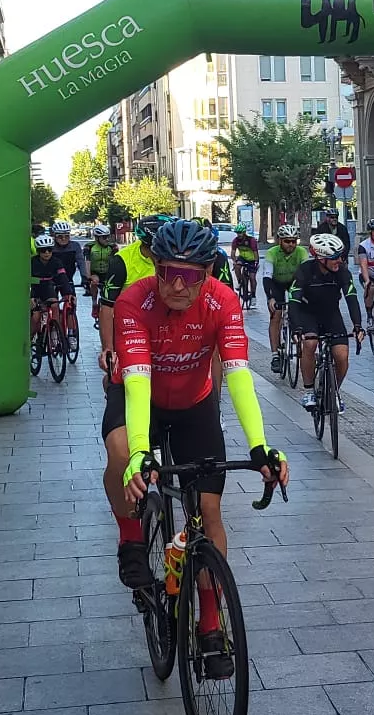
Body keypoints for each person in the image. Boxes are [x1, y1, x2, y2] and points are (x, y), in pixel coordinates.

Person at [113, 220, 286, 679]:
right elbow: (135, 381)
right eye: (168, 271)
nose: (177, 285)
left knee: (209, 514)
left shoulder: (223, 301)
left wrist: (259, 446)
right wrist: (139, 453)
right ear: (155, 265)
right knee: (119, 453)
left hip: (194, 404)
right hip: (142, 398)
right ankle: (132, 541)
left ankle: (209, 622)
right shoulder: (135, 301)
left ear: (209, 271)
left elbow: (238, 374)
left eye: (190, 276)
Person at [96, 217, 161, 585]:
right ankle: (129, 536)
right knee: (121, 453)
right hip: (132, 359)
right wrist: (108, 348)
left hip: (175, 373)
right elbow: (108, 307)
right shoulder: (124, 261)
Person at [292, 234, 364, 411]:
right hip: (308, 314)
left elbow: (351, 298)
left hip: (331, 314)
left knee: (342, 355)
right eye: (334, 257)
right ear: (320, 258)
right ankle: (309, 390)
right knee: (310, 343)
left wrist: (357, 325)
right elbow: (293, 302)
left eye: (341, 256)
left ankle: (334, 391)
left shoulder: (342, 272)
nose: (339, 260)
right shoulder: (304, 271)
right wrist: (296, 328)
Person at [261, 224, 307, 373]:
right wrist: (271, 298)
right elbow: (267, 277)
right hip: (276, 284)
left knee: (300, 310)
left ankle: (298, 336)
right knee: (276, 315)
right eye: (287, 241)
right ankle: (275, 355)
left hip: (294, 282)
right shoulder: (272, 253)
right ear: (280, 241)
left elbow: (307, 274)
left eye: (294, 241)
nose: (291, 244)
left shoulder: (301, 252)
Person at [30, 235, 74, 342]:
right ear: (38, 251)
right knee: (35, 318)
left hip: (48, 289)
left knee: (54, 305)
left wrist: (68, 292)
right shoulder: (31, 262)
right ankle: (30, 339)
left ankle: (54, 330)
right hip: (35, 290)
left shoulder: (56, 262)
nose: (46, 253)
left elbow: (63, 278)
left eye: (49, 250)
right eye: (43, 250)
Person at [229, 224, 260, 305]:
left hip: (252, 259)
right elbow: (232, 253)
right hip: (242, 257)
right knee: (237, 266)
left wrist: (256, 262)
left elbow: (255, 253)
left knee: (252, 278)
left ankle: (253, 296)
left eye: (240, 233)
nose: (239, 234)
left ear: (244, 232)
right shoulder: (235, 240)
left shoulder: (251, 240)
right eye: (237, 233)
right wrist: (235, 261)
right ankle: (240, 282)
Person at [86, 231, 117, 298]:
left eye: (108, 237)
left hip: (107, 272)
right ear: (97, 238)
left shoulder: (112, 246)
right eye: (104, 237)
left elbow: (116, 261)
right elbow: (87, 261)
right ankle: (94, 301)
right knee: (95, 281)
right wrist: (88, 276)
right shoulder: (90, 246)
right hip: (94, 272)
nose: (107, 239)